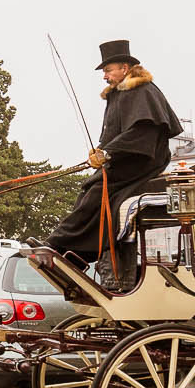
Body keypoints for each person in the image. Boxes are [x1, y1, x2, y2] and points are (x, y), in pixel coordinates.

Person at [36, 40, 183, 275]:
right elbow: (115, 133)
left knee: (96, 191)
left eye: (107, 70)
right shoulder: (119, 94)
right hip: (124, 158)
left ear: (124, 68)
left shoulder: (142, 91)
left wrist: (107, 153)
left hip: (142, 160)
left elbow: (140, 133)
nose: (104, 76)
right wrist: (99, 151)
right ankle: (77, 255)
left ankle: (58, 243)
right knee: (90, 190)